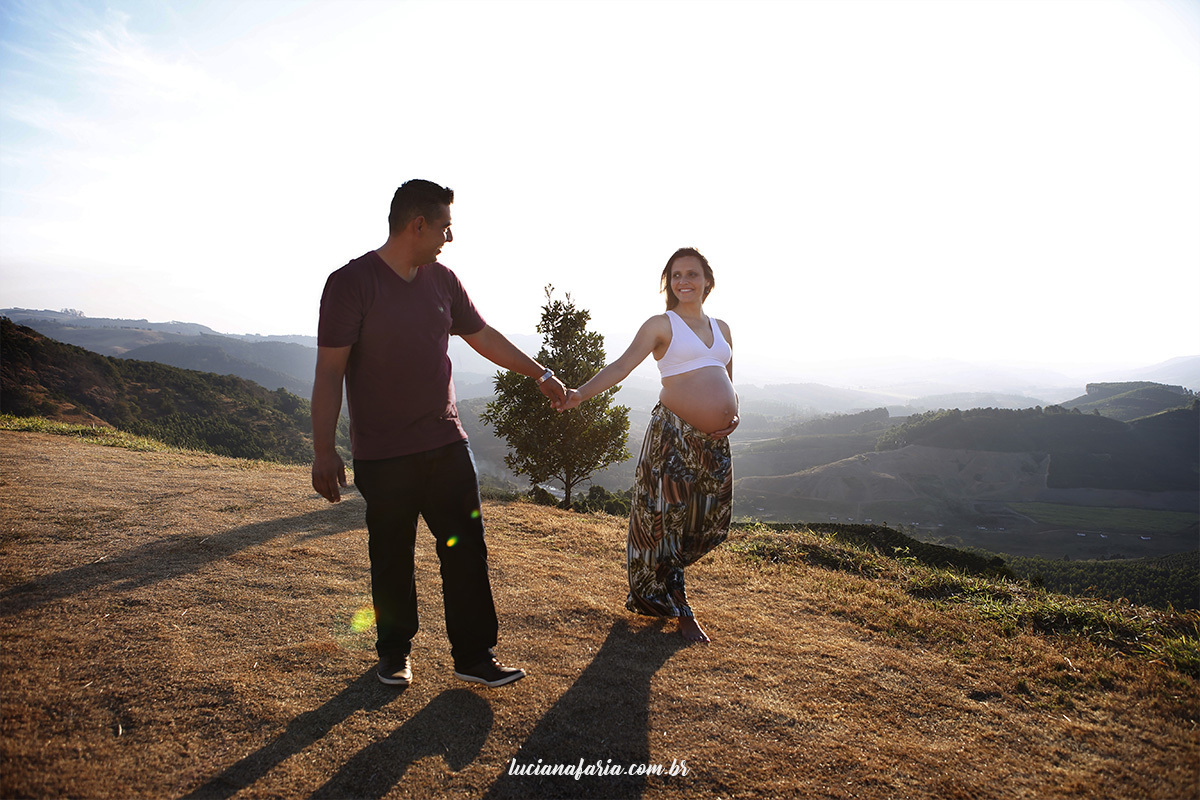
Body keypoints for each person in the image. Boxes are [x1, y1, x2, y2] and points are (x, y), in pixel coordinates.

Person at [311, 179, 567, 687]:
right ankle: (394, 653)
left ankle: (474, 656)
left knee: (465, 548)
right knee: (391, 554)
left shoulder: (444, 281)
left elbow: (483, 335)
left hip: (447, 444)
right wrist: (323, 450)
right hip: (384, 453)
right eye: (446, 227)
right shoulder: (351, 283)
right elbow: (329, 374)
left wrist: (539, 373)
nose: (450, 238)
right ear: (418, 224)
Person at [560, 247, 737, 643]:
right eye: (675, 275)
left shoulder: (722, 328)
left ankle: (663, 585)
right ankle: (680, 606)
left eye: (692, 274)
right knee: (669, 521)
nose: (683, 281)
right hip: (672, 437)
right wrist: (579, 395)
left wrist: (732, 415)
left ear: (707, 280)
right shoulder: (662, 325)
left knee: (710, 521)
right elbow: (622, 366)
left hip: (713, 443)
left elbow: (726, 378)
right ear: (668, 283)